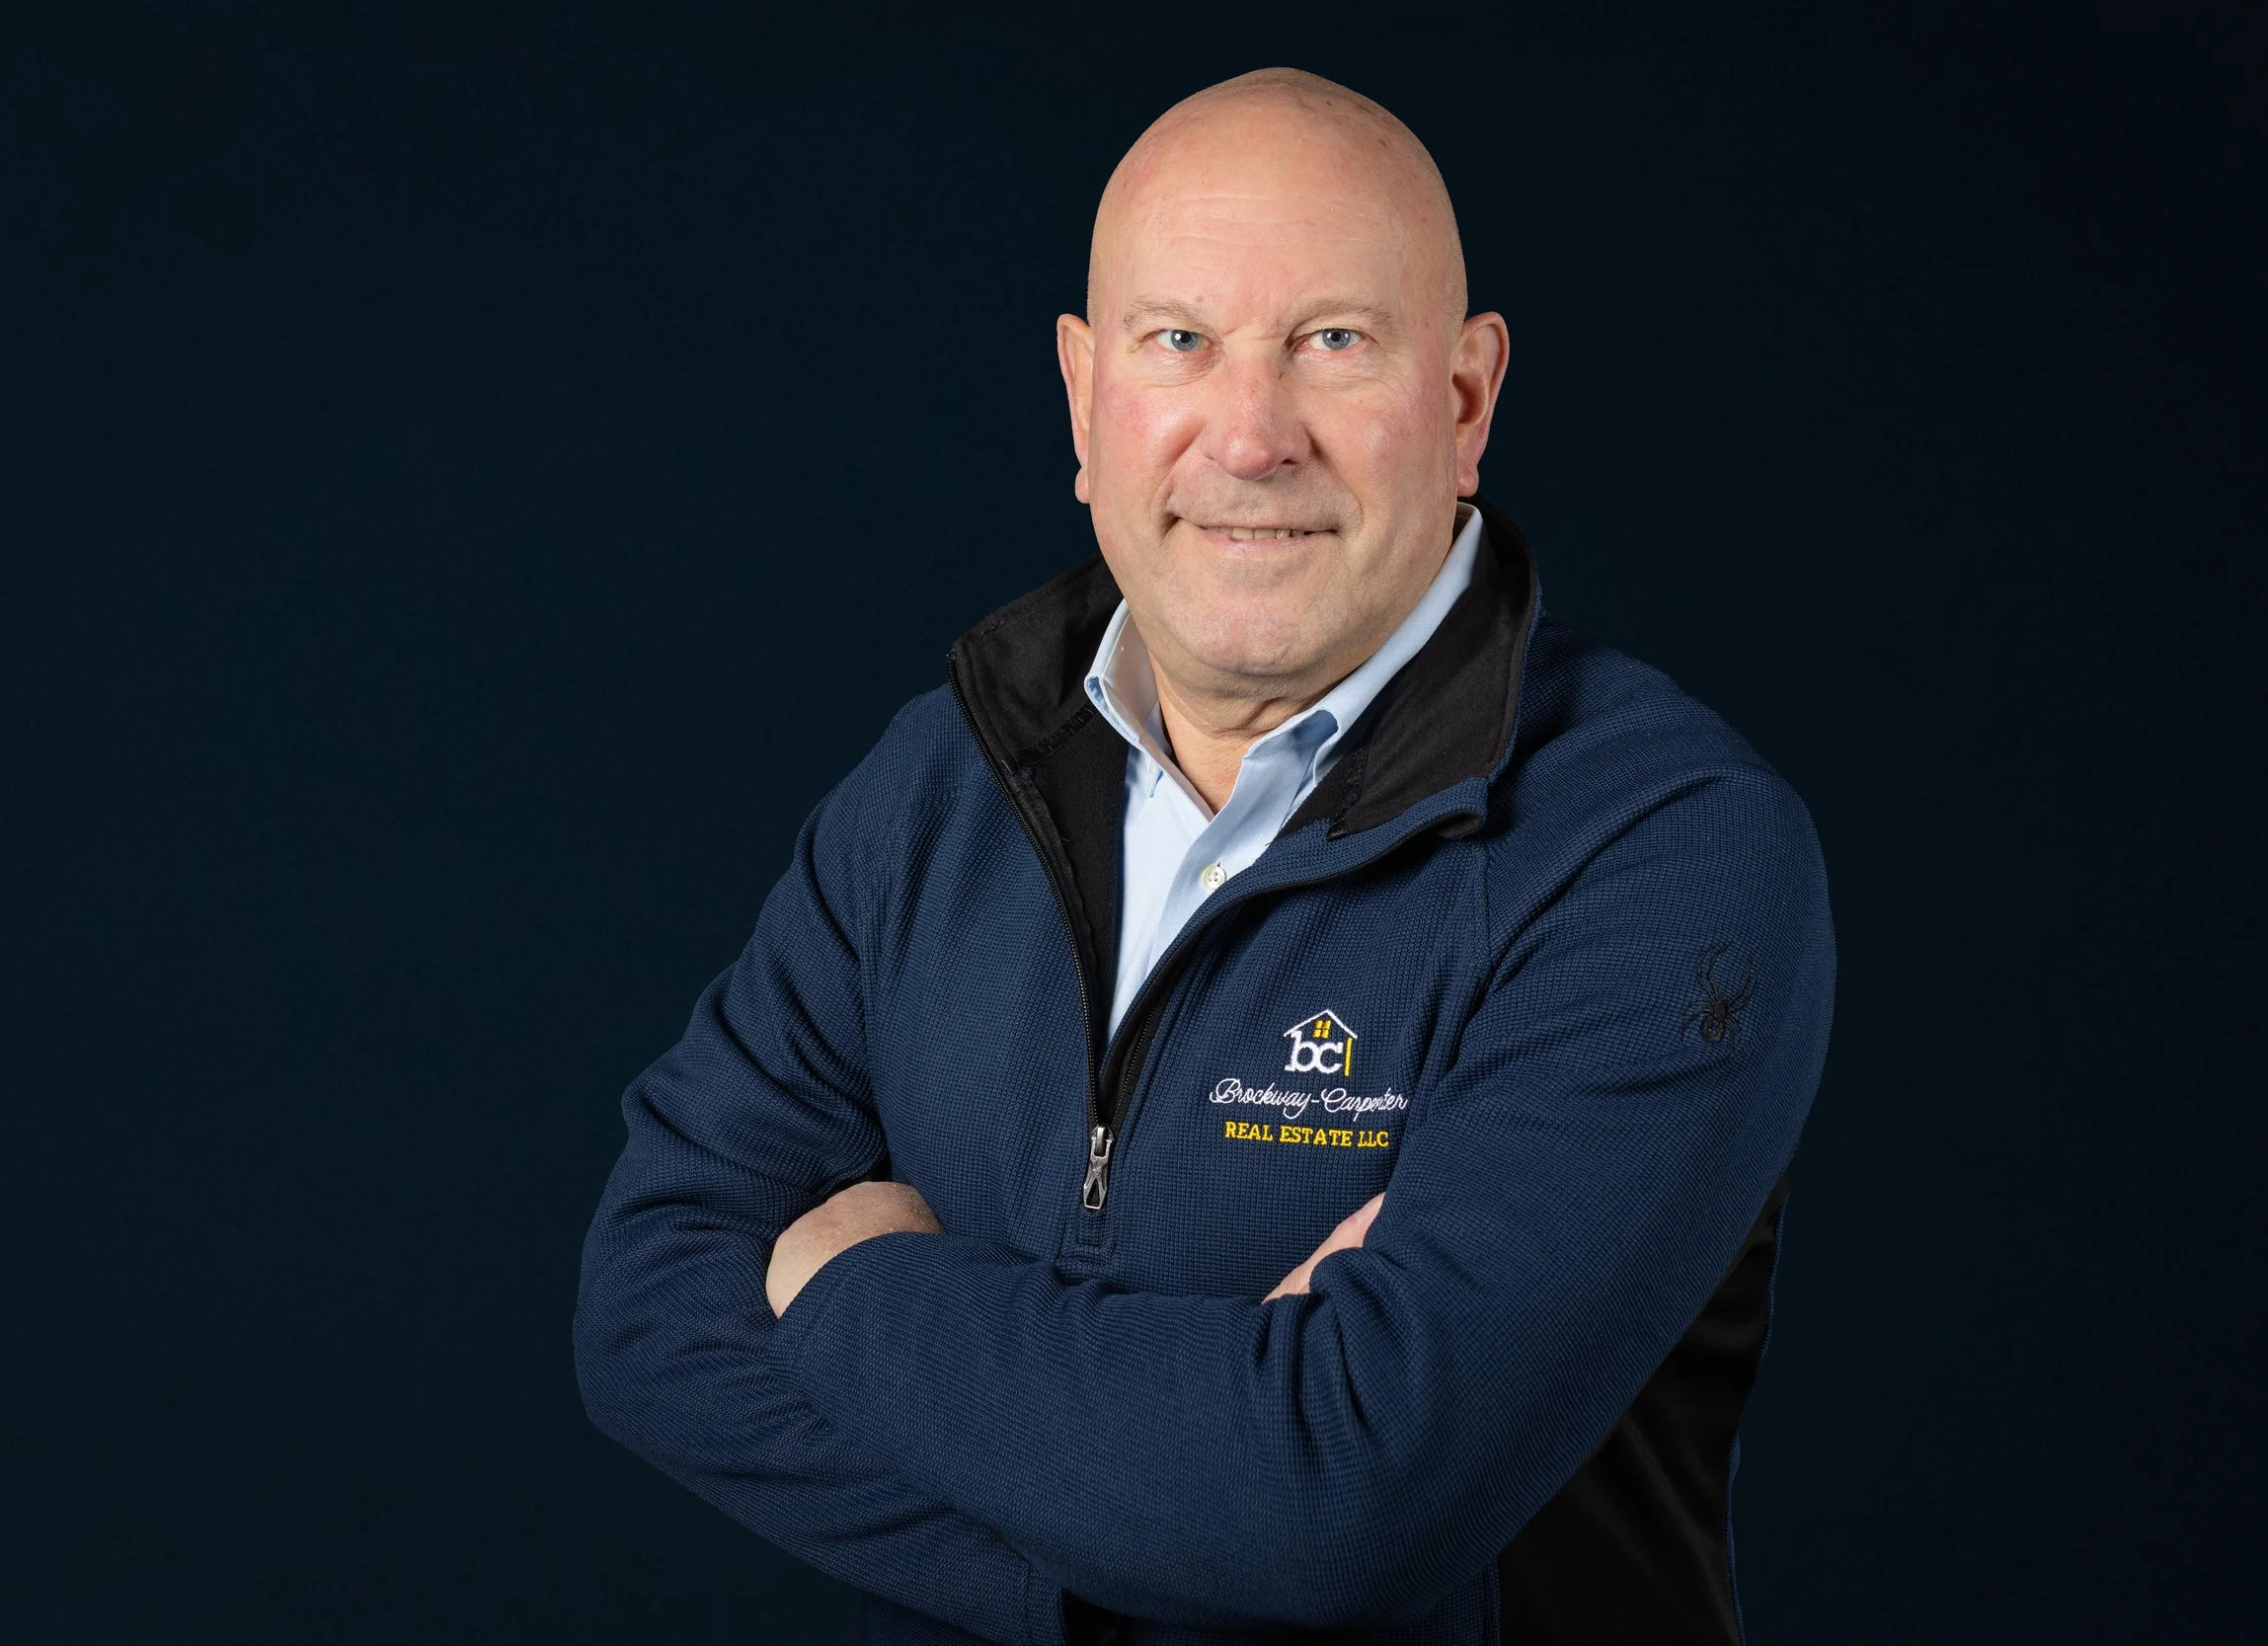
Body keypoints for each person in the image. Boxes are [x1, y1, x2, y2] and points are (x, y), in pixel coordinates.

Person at [574, 67, 1834, 1646]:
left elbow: (1343, 1502)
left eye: (1332, 342)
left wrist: (850, 1285)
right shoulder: (947, 784)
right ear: (1087, 397)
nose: (1250, 435)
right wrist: (1195, 1524)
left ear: (1464, 402)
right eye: (1181, 342)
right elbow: (646, 1295)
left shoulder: (1662, 858)